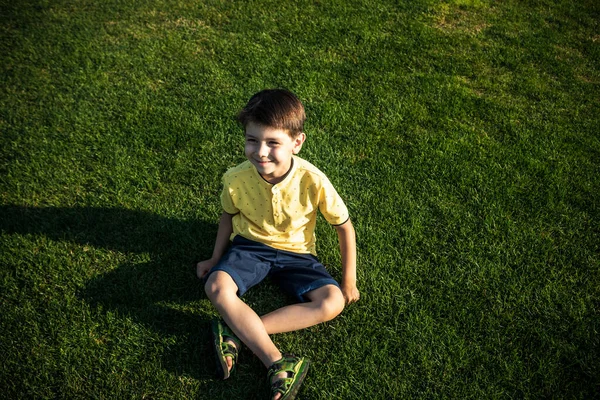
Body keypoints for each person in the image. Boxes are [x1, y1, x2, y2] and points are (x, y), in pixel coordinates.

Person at [196, 89, 359, 400]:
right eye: (252, 140)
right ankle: (277, 362)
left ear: (297, 143)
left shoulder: (313, 180)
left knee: (332, 302)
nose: (261, 152)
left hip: (297, 253)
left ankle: (238, 331)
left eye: (273, 143)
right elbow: (227, 219)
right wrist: (214, 259)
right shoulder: (235, 178)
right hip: (249, 246)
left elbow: (344, 228)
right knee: (216, 286)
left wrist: (348, 281)